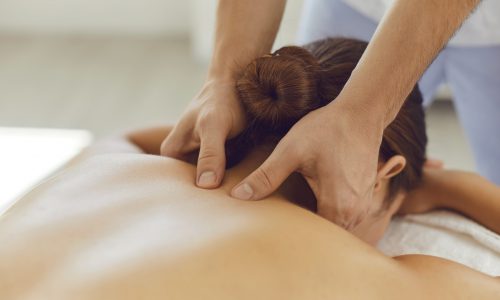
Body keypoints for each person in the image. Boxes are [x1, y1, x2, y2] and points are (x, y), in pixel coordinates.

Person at [2, 37, 499, 299]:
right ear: (383, 172)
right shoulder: (364, 279)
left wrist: (234, 142)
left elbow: (132, 136)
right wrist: (446, 186)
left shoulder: (108, 169)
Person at [160, 0, 486, 230]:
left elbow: (138, 139)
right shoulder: (376, 275)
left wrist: (362, 117)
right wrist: (226, 77)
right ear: (381, 177)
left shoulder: (142, 171)